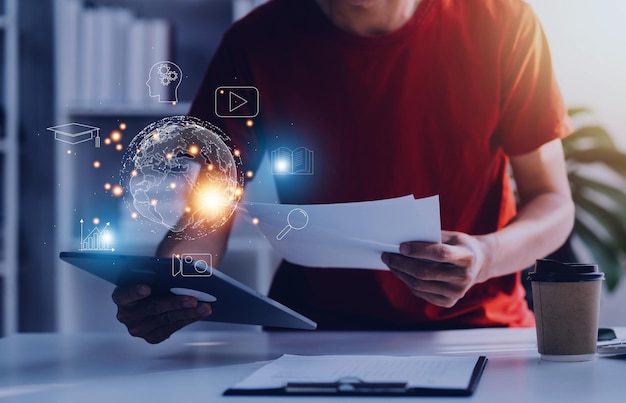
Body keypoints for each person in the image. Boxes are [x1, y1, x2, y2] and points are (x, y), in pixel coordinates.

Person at [113, 0, 574, 344]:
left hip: (479, 330)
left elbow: (553, 202)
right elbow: (209, 212)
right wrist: (169, 286)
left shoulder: (501, 23)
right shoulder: (254, 44)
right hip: (312, 335)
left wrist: (486, 256)